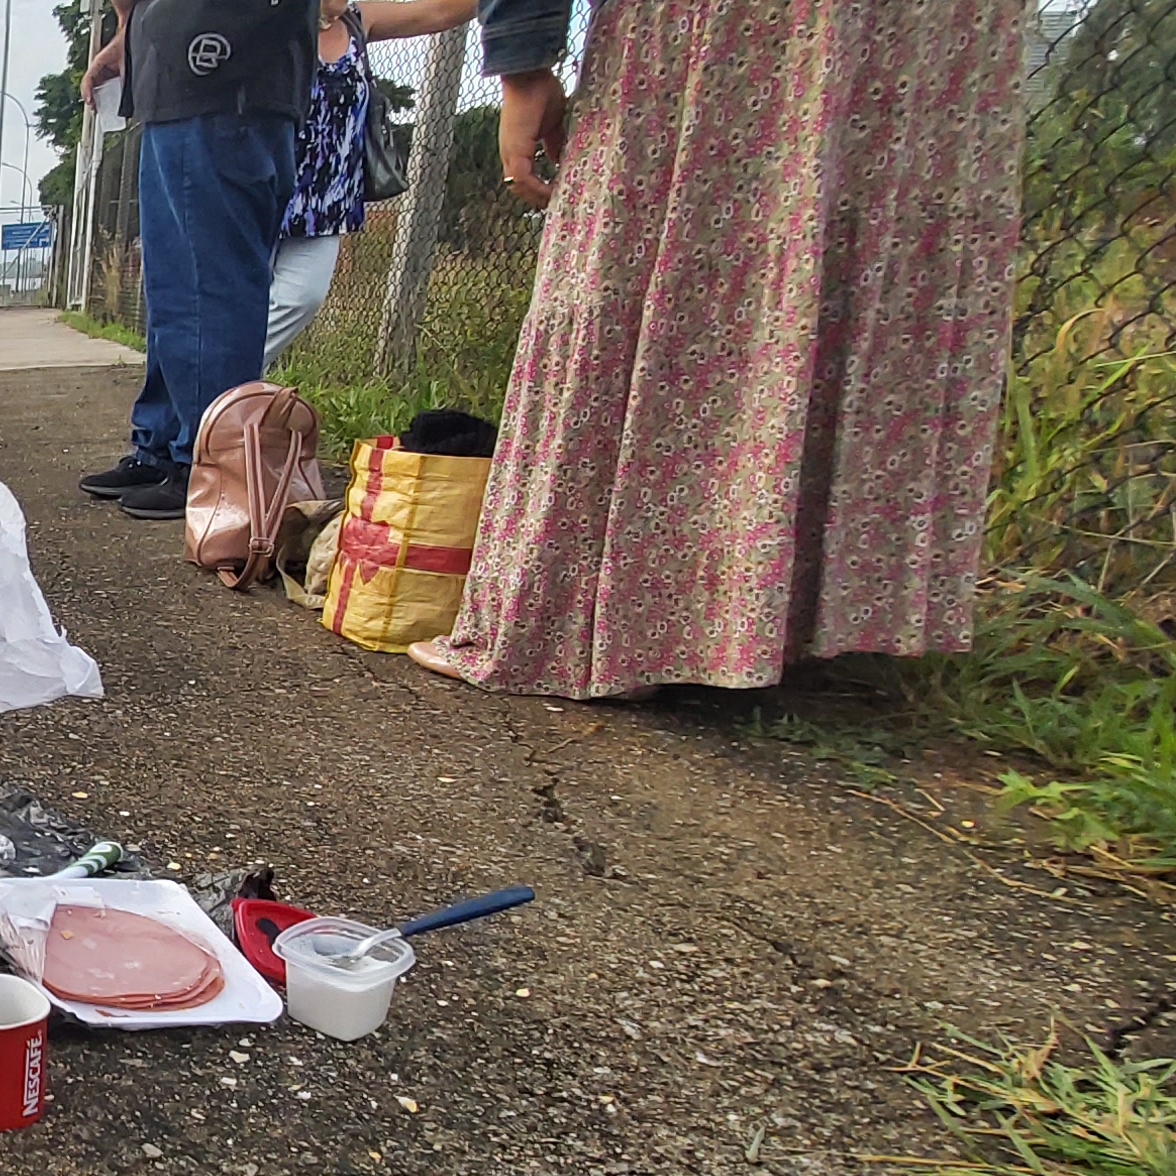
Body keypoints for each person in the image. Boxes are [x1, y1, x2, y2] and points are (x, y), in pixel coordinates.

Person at [407, 1, 1025, 698]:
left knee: (667, 257)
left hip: (735, 32)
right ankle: (776, 622)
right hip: (919, 34)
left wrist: (523, 65)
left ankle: (608, 626)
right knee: (831, 244)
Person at [75, 0, 320, 521]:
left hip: (221, 78)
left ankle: (212, 463)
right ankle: (164, 446)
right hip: (190, 82)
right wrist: (130, 34)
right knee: (175, 291)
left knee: (210, 290)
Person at [264, 0, 476, 368]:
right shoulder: (261, 16)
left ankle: (223, 386)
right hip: (257, 186)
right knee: (234, 302)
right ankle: (221, 395)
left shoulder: (358, 19)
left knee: (302, 297)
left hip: (323, 201)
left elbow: (439, 11)